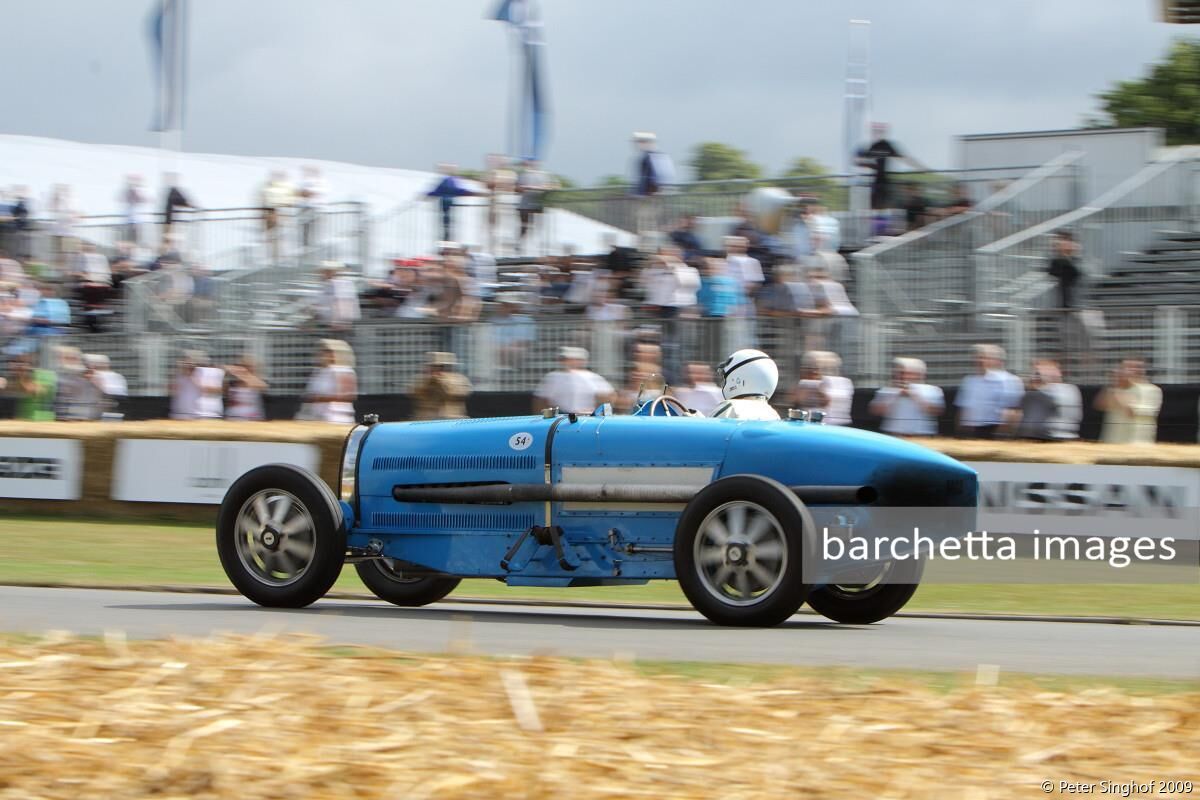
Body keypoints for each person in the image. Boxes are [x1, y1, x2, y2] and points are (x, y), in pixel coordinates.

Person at [955, 344, 1023, 439]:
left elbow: (1012, 411)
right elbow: (964, 409)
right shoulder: (969, 381)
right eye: (978, 357)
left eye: (984, 358)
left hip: (994, 429)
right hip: (971, 430)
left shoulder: (1008, 380)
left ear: (997, 360)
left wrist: (1003, 433)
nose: (980, 361)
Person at [856, 122, 928, 211]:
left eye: (879, 132)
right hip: (876, 181)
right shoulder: (873, 146)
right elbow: (858, 161)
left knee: (886, 204)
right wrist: (872, 166)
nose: (877, 134)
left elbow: (904, 157)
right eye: (875, 132)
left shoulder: (887, 145)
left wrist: (921, 167)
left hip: (886, 181)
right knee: (874, 205)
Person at [869, 357, 944, 436]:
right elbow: (875, 411)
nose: (903, 376)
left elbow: (937, 411)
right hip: (894, 437)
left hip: (921, 437)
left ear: (918, 374)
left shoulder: (932, 390)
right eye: (900, 373)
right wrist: (895, 395)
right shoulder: (886, 390)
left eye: (908, 373)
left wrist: (914, 395)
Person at [1096, 359, 1161, 445]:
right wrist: (1114, 385)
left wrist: (1118, 388)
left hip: (1136, 446)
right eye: (1126, 368)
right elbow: (1099, 405)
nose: (1129, 371)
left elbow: (1130, 411)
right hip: (1112, 444)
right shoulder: (1115, 389)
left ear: (1142, 370)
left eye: (1135, 367)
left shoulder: (1151, 390)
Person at [534, 346, 615, 414]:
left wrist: (597, 412)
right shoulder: (553, 377)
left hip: (586, 417)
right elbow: (540, 400)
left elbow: (610, 395)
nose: (569, 362)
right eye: (566, 359)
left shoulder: (593, 377)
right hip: (560, 417)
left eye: (573, 359)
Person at [710, 349, 780, 421]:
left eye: (725, 377)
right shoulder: (773, 414)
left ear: (738, 379)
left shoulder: (731, 407)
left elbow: (708, 429)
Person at [299, 339, 357, 424]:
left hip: (337, 418)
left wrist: (320, 398)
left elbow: (348, 396)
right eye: (321, 351)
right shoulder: (317, 372)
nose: (321, 354)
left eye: (326, 351)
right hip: (316, 417)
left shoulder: (344, 370)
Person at [792, 351, 854, 426]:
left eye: (813, 368)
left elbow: (826, 401)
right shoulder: (806, 384)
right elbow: (796, 399)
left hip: (832, 427)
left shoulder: (837, 383)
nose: (813, 372)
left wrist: (817, 390)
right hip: (812, 426)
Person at [410, 352, 472, 420]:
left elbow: (456, 393)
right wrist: (430, 382)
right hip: (426, 419)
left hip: (451, 418)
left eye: (440, 366)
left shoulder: (459, 379)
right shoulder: (423, 380)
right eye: (433, 366)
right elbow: (415, 393)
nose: (436, 369)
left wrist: (442, 381)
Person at [5, 352, 55, 421]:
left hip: (43, 423)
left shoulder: (45, 375)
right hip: (21, 422)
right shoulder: (12, 378)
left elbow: (37, 390)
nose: (19, 366)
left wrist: (20, 378)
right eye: (15, 362)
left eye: (23, 363)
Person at [85, 353, 128, 421]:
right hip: (97, 412)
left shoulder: (112, 377)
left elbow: (118, 395)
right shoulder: (117, 377)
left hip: (106, 412)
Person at [224, 355, 268, 421]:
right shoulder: (233, 382)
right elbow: (223, 391)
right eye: (242, 366)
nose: (244, 368)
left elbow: (262, 387)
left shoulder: (255, 380)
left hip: (251, 419)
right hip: (233, 418)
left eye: (247, 366)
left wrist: (242, 374)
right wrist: (225, 374)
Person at [1047, 231, 1083, 310]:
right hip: (1064, 275)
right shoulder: (1058, 260)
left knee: (1067, 289)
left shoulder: (1073, 259)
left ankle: (1068, 304)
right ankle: (1066, 304)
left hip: (1069, 276)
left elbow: (1076, 273)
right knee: (1064, 290)